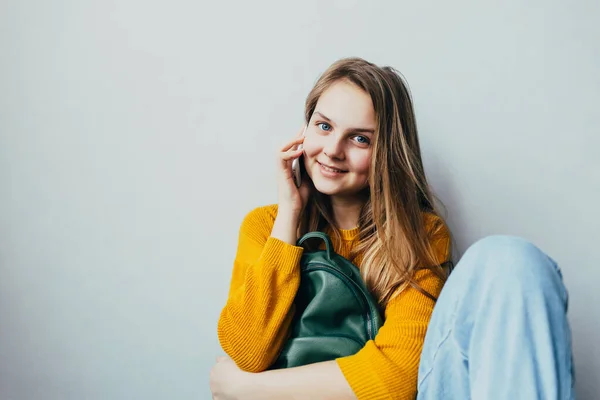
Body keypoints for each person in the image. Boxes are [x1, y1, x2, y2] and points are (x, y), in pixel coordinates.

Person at [209, 57, 575, 399]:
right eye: (324, 126)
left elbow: (398, 377)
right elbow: (249, 351)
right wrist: (290, 214)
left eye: (359, 138)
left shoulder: (421, 234)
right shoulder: (266, 226)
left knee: (510, 259)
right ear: (304, 130)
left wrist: (244, 388)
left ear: (386, 151)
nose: (333, 150)